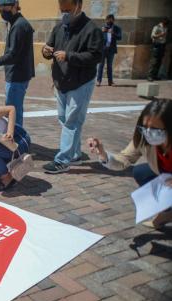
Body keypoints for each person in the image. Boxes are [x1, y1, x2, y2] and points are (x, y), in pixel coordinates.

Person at [87, 99, 172, 228]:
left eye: (155, 129)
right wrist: (103, 154)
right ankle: (168, 211)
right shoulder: (143, 137)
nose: (148, 132)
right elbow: (123, 160)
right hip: (166, 175)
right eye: (145, 127)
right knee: (141, 172)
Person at [41, 0, 103, 174]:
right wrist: (46, 51)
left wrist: (70, 56)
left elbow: (95, 56)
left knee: (72, 121)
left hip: (81, 82)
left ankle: (63, 160)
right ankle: (75, 153)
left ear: (79, 6)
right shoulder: (60, 27)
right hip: (62, 81)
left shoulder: (92, 29)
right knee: (63, 118)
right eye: (62, 10)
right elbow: (50, 47)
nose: (64, 13)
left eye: (68, 10)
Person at [0, 0, 34, 127]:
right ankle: (17, 136)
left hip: (17, 75)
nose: (3, 10)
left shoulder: (19, 26)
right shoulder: (16, 23)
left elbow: (12, 55)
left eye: (6, 7)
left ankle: (16, 138)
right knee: (16, 109)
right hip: (19, 74)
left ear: (15, 6)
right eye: (0, 7)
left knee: (12, 111)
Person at [96, 14, 122, 87]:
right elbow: (97, 38)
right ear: (106, 20)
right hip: (103, 49)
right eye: (108, 19)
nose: (109, 21)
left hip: (111, 50)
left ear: (113, 20)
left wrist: (113, 33)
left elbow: (120, 37)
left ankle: (110, 82)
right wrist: (101, 32)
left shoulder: (117, 28)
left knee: (109, 66)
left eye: (110, 19)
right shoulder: (102, 28)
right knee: (101, 65)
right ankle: (98, 81)